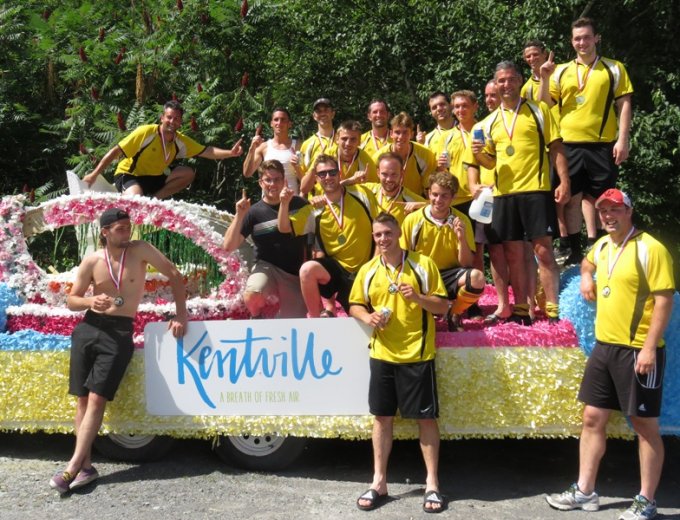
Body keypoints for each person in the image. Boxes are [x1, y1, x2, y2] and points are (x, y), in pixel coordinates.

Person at [546, 188, 675, 520]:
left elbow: (664, 300)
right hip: (604, 348)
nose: (608, 216)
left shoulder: (651, 249)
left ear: (629, 212)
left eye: (615, 210)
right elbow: (587, 262)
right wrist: (585, 277)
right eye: (603, 211)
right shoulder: (603, 245)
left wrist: (649, 348)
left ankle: (646, 500)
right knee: (592, 418)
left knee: (644, 426)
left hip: (637, 351)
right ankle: (585, 490)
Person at [49, 208, 188, 494]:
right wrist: (90, 301)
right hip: (88, 328)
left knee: (97, 398)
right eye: (121, 228)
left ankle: (72, 466)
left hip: (119, 331)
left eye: (129, 226)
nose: (127, 232)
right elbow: (72, 300)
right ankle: (86, 467)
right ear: (105, 232)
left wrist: (181, 315)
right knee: (82, 400)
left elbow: (175, 275)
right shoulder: (92, 260)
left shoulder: (141, 250)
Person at [350, 212, 449, 514]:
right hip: (382, 354)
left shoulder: (423, 264)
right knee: (381, 418)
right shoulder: (368, 270)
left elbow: (443, 306)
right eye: (378, 234)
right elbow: (354, 304)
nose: (383, 239)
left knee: (425, 420)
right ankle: (379, 482)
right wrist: (368, 317)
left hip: (417, 355)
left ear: (398, 234)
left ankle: (432, 484)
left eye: (388, 233)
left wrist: (418, 298)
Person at [466, 61, 570, 325]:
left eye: (511, 79)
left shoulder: (539, 110)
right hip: (504, 195)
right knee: (513, 255)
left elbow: (556, 147)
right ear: (496, 83)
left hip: (536, 190)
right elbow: (490, 162)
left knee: (543, 252)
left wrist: (564, 181)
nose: (506, 85)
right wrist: (479, 155)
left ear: (520, 81)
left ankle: (553, 309)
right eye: (501, 80)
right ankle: (522, 307)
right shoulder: (488, 122)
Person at [539, 17, 633, 265]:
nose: (582, 42)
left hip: (602, 144)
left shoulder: (614, 68)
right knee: (570, 198)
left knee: (602, 199)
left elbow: (624, 104)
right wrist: (545, 78)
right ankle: (574, 251)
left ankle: (602, 246)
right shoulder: (561, 71)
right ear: (572, 42)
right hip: (568, 145)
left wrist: (623, 140)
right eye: (577, 38)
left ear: (596, 38)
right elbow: (546, 104)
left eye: (587, 37)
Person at [278, 154, 378, 317]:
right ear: (317, 179)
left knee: (364, 318)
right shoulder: (314, 208)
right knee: (307, 270)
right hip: (337, 272)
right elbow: (284, 228)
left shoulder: (362, 194)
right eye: (322, 174)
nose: (328, 177)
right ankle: (316, 321)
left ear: (340, 174)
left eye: (332, 172)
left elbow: (380, 227)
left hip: (366, 269)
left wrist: (376, 264)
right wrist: (284, 203)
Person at [84, 100, 243, 199]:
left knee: (188, 173)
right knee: (135, 201)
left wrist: (230, 153)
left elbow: (207, 151)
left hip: (154, 178)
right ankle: (130, 198)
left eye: (176, 118)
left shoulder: (180, 140)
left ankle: (155, 199)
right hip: (130, 175)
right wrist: (94, 174)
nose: (172, 121)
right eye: (169, 117)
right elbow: (115, 151)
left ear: (180, 122)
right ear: (162, 118)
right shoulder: (146, 132)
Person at [222, 159, 310, 318]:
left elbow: (310, 240)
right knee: (253, 293)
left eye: (277, 179)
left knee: (294, 321)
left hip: (293, 273)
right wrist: (239, 215)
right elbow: (228, 246)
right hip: (266, 267)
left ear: (284, 181)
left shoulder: (300, 205)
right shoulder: (253, 212)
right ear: (260, 183)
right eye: (268, 180)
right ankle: (257, 316)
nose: (273, 184)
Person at [401, 172, 485, 331]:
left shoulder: (462, 220)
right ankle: (425, 310)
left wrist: (461, 238)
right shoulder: (413, 220)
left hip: (449, 276)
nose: (438, 200)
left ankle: (454, 312)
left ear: (453, 197)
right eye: (435, 194)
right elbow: (402, 257)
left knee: (477, 278)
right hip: (422, 276)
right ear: (428, 194)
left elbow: (467, 263)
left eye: (444, 196)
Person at [301, 120, 377, 195]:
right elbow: (304, 189)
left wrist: (365, 184)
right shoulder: (325, 156)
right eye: (344, 139)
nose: (348, 143)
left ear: (359, 141)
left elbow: (376, 190)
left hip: (352, 201)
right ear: (337, 139)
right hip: (323, 200)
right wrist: (350, 181)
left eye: (353, 139)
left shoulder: (366, 161)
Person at [373, 112, 436, 197]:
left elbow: (429, 189)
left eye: (405, 132)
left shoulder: (425, 155)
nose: (401, 137)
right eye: (397, 132)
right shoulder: (379, 157)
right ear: (391, 134)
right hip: (386, 201)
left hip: (415, 202)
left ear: (412, 134)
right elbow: (373, 187)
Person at [242, 108, 303, 193]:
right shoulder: (264, 147)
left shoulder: (298, 146)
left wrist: (297, 167)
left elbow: (305, 179)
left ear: (289, 124)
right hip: (269, 199)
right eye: (276, 119)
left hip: (291, 198)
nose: (279, 123)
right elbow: (247, 173)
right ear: (271, 123)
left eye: (283, 120)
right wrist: (252, 149)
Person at [365, 152, 426, 225]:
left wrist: (422, 206)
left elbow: (435, 207)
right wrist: (353, 180)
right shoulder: (366, 191)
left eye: (394, 174)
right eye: (384, 174)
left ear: (402, 174)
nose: (389, 179)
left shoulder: (411, 200)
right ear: (378, 173)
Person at [300, 98, 337, 180]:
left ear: (333, 113)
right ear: (314, 116)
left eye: (326, 110)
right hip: (316, 188)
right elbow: (302, 173)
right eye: (319, 111)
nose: (323, 113)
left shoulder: (343, 140)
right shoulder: (306, 144)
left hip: (341, 187)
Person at [421, 91, 457, 170]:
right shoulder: (427, 139)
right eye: (434, 107)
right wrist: (436, 166)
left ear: (451, 105)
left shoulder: (466, 130)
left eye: (442, 104)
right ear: (431, 112)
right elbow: (425, 169)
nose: (439, 109)